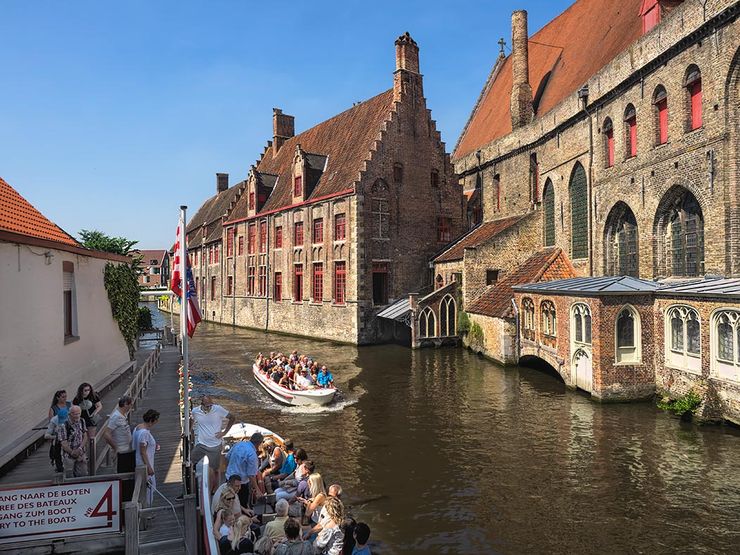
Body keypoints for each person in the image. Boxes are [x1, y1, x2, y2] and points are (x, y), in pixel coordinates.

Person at [191, 395, 235, 491]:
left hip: (215, 445)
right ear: (202, 405)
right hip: (201, 444)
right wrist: (190, 430)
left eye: (211, 405)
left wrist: (224, 432)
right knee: (190, 461)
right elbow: (192, 419)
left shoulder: (218, 409)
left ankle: (215, 488)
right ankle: (191, 486)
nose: (209, 408)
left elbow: (232, 418)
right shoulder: (195, 411)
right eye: (207, 406)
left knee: (214, 468)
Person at [225, 432, 264, 508]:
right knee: (241, 505)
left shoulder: (238, 444)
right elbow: (251, 475)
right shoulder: (252, 454)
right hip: (241, 485)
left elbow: (227, 457)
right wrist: (258, 490)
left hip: (229, 479)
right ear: (259, 444)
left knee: (229, 503)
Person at [132, 409, 160, 506]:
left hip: (138, 461)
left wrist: (154, 445)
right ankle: (147, 509)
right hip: (144, 463)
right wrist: (149, 467)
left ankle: (145, 508)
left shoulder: (137, 428)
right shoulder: (145, 433)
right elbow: (143, 452)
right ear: (152, 420)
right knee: (148, 488)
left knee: (143, 487)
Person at [103, 395, 135, 473]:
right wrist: (115, 447)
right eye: (130, 404)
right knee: (120, 471)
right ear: (125, 404)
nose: (131, 406)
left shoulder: (123, 414)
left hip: (126, 448)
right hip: (120, 449)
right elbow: (106, 434)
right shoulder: (116, 417)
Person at [57, 405, 88, 477]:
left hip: (81, 453)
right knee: (69, 477)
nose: (77, 416)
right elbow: (63, 443)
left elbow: (85, 436)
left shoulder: (82, 421)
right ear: (70, 414)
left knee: (83, 475)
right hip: (68, 455)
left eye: (79, 413)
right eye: (75, 414)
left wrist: (80, 448)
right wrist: (73, 452)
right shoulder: (63, 425)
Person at [44, 407, 68, 473]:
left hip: (68, 441)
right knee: (57, 452)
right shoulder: (54, 420)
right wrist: (56, 437)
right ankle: (59, 467)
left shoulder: (72, 418)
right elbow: (46, 435)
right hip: (57, 441)